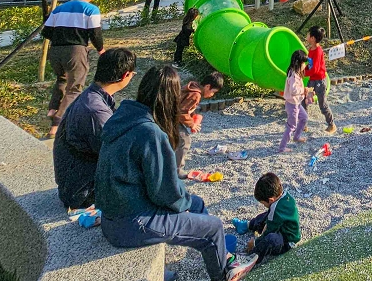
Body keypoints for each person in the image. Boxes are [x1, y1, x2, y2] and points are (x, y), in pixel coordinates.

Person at [96, 66, 255, 281]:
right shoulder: (150, 133)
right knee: (213, 226)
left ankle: (222, 254)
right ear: (170, 98)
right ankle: (225, 273)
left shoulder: (124, 117)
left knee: (196, 203)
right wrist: (182, 207)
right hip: (133, 222)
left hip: (117, 212)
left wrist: (186, 204)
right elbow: (165, 192)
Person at [53, 48, 137, 210]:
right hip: (82, 193)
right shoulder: (95, 110)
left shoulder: (92, 97)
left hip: (75, 183)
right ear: (126, 75)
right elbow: (116, 156)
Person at [43, 0, 104, 139]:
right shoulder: (91, 9)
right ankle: (57, 123)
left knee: (61, 79)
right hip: (75, 50)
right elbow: (95, 33)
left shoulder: (59, 8)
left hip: (55, 50)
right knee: (75, 87)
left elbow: (47, 31)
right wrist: (100, 49)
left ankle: (53, 108)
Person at [236, 173, 300, 265]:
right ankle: (248, 225)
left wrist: (255, 242)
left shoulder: (276, 209)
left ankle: (252, 257)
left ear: (270, 200)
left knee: (270, 239)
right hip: (281, 225)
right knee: (267, 215)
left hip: (287, 241)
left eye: (263, 203)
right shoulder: (284, 195)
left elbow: (269, 231)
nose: (264, 205)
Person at [176, 72, 224, 178]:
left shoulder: (193, 88)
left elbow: (185, 106)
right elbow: (181, 112)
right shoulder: (196, 94)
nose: (212, 95)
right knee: (184, 140)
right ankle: (177, 169)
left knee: (176, 141)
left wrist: (192, 115)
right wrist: (192, 124)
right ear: (207, 86)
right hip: (172, 119)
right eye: (213, 92)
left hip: (172, 117)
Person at [304, 26, 336, 134]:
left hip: (319, 82)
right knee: (305, 101)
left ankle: (331, 125)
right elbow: (309, 65)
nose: (307, 36)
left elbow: (315, 69)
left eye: (308, 34)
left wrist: (305, 73)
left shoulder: (318, 51)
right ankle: (303, 124)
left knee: (322, 105)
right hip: (312, 81)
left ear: (312, 38)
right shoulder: (310, 50)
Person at [280, 50, 309, 152]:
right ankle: (282, 147)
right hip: (292, 105)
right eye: (303, 63)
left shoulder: (295, 72)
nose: (304, 65)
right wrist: (303, 90)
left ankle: (296, 137)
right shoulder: (293, 75)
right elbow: (293, 90)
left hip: (296, 103)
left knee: (304, 118)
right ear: (298, 63)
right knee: (291, 126)